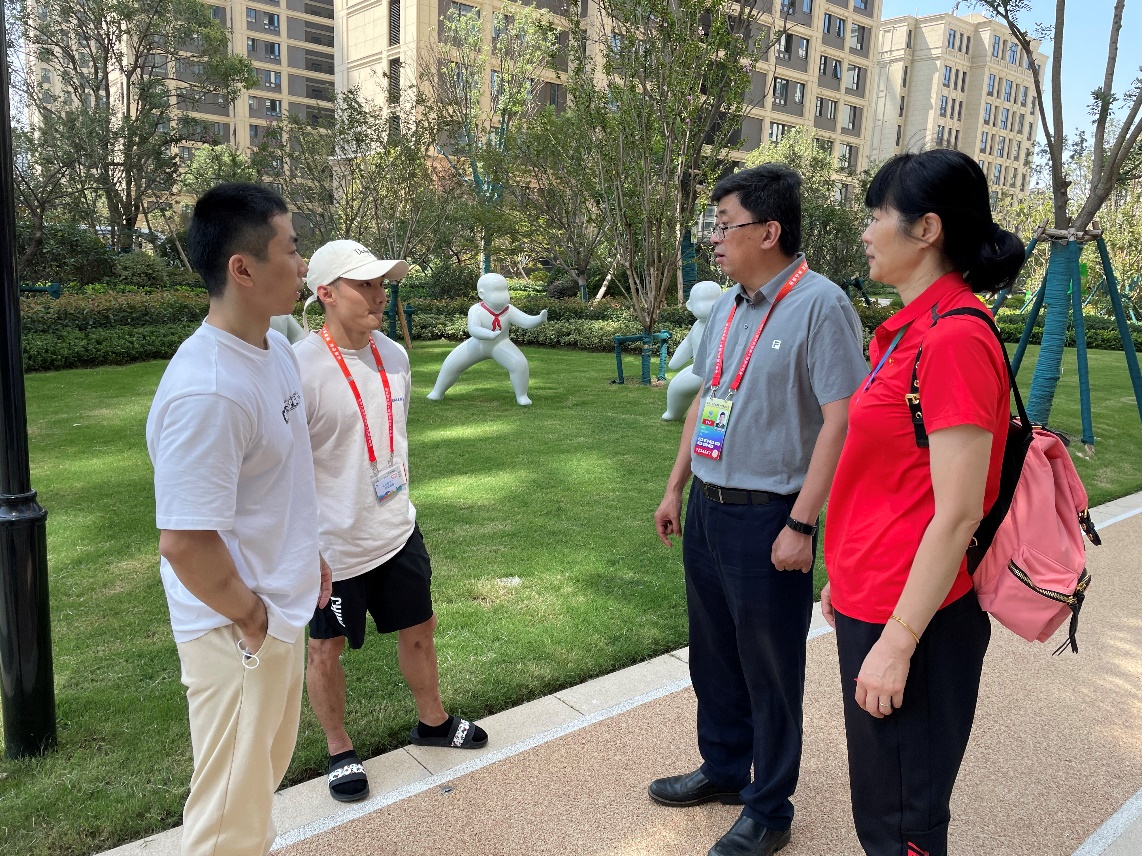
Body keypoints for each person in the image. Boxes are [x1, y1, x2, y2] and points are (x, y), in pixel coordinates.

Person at [651, 163, 868, 856]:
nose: (714, 237)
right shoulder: (726, 307)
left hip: (770, 517)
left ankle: (770, 807)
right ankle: (723, 768)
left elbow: (841, 421)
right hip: (709, 508)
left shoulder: (822, 305)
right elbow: (705, 400)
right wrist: (675, 487)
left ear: (769, 231)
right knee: (713, 654)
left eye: (725, 224)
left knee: (771, 670)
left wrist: (802, 522)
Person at [822, 149, 1023, 856]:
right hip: (878, 595)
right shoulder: (911, 330)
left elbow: (959, 511)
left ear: (928, 228)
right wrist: (848, 574)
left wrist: (899, 640)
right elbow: (890, 478)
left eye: (877, 215)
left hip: (918, 616)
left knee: (902, 821)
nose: (866, 231)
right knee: (884, 807)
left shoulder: (954, 339)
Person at [146, 183, 331, 856]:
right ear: (243, 269)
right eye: (292, 249)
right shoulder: (209, 390)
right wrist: (253, 621)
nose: (303, 264)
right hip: (236, 629)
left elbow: (280, 480)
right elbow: (185, 543)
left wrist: (308, 557)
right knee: (227, 822)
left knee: (253, 794)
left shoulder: (273, 349)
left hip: (276, 609)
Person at [294, 240, 489, 804]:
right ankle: (339, 749)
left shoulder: (395, 356)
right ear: (326, 294)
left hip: (397, 530)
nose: (380, 294)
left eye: (382, 283)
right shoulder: (298, 369)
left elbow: (390, 439)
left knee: (420, 628)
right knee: (325, 649)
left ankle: (433, 722)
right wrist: (305, 546)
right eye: (365, 285)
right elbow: (283, 471)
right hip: (331, 547)